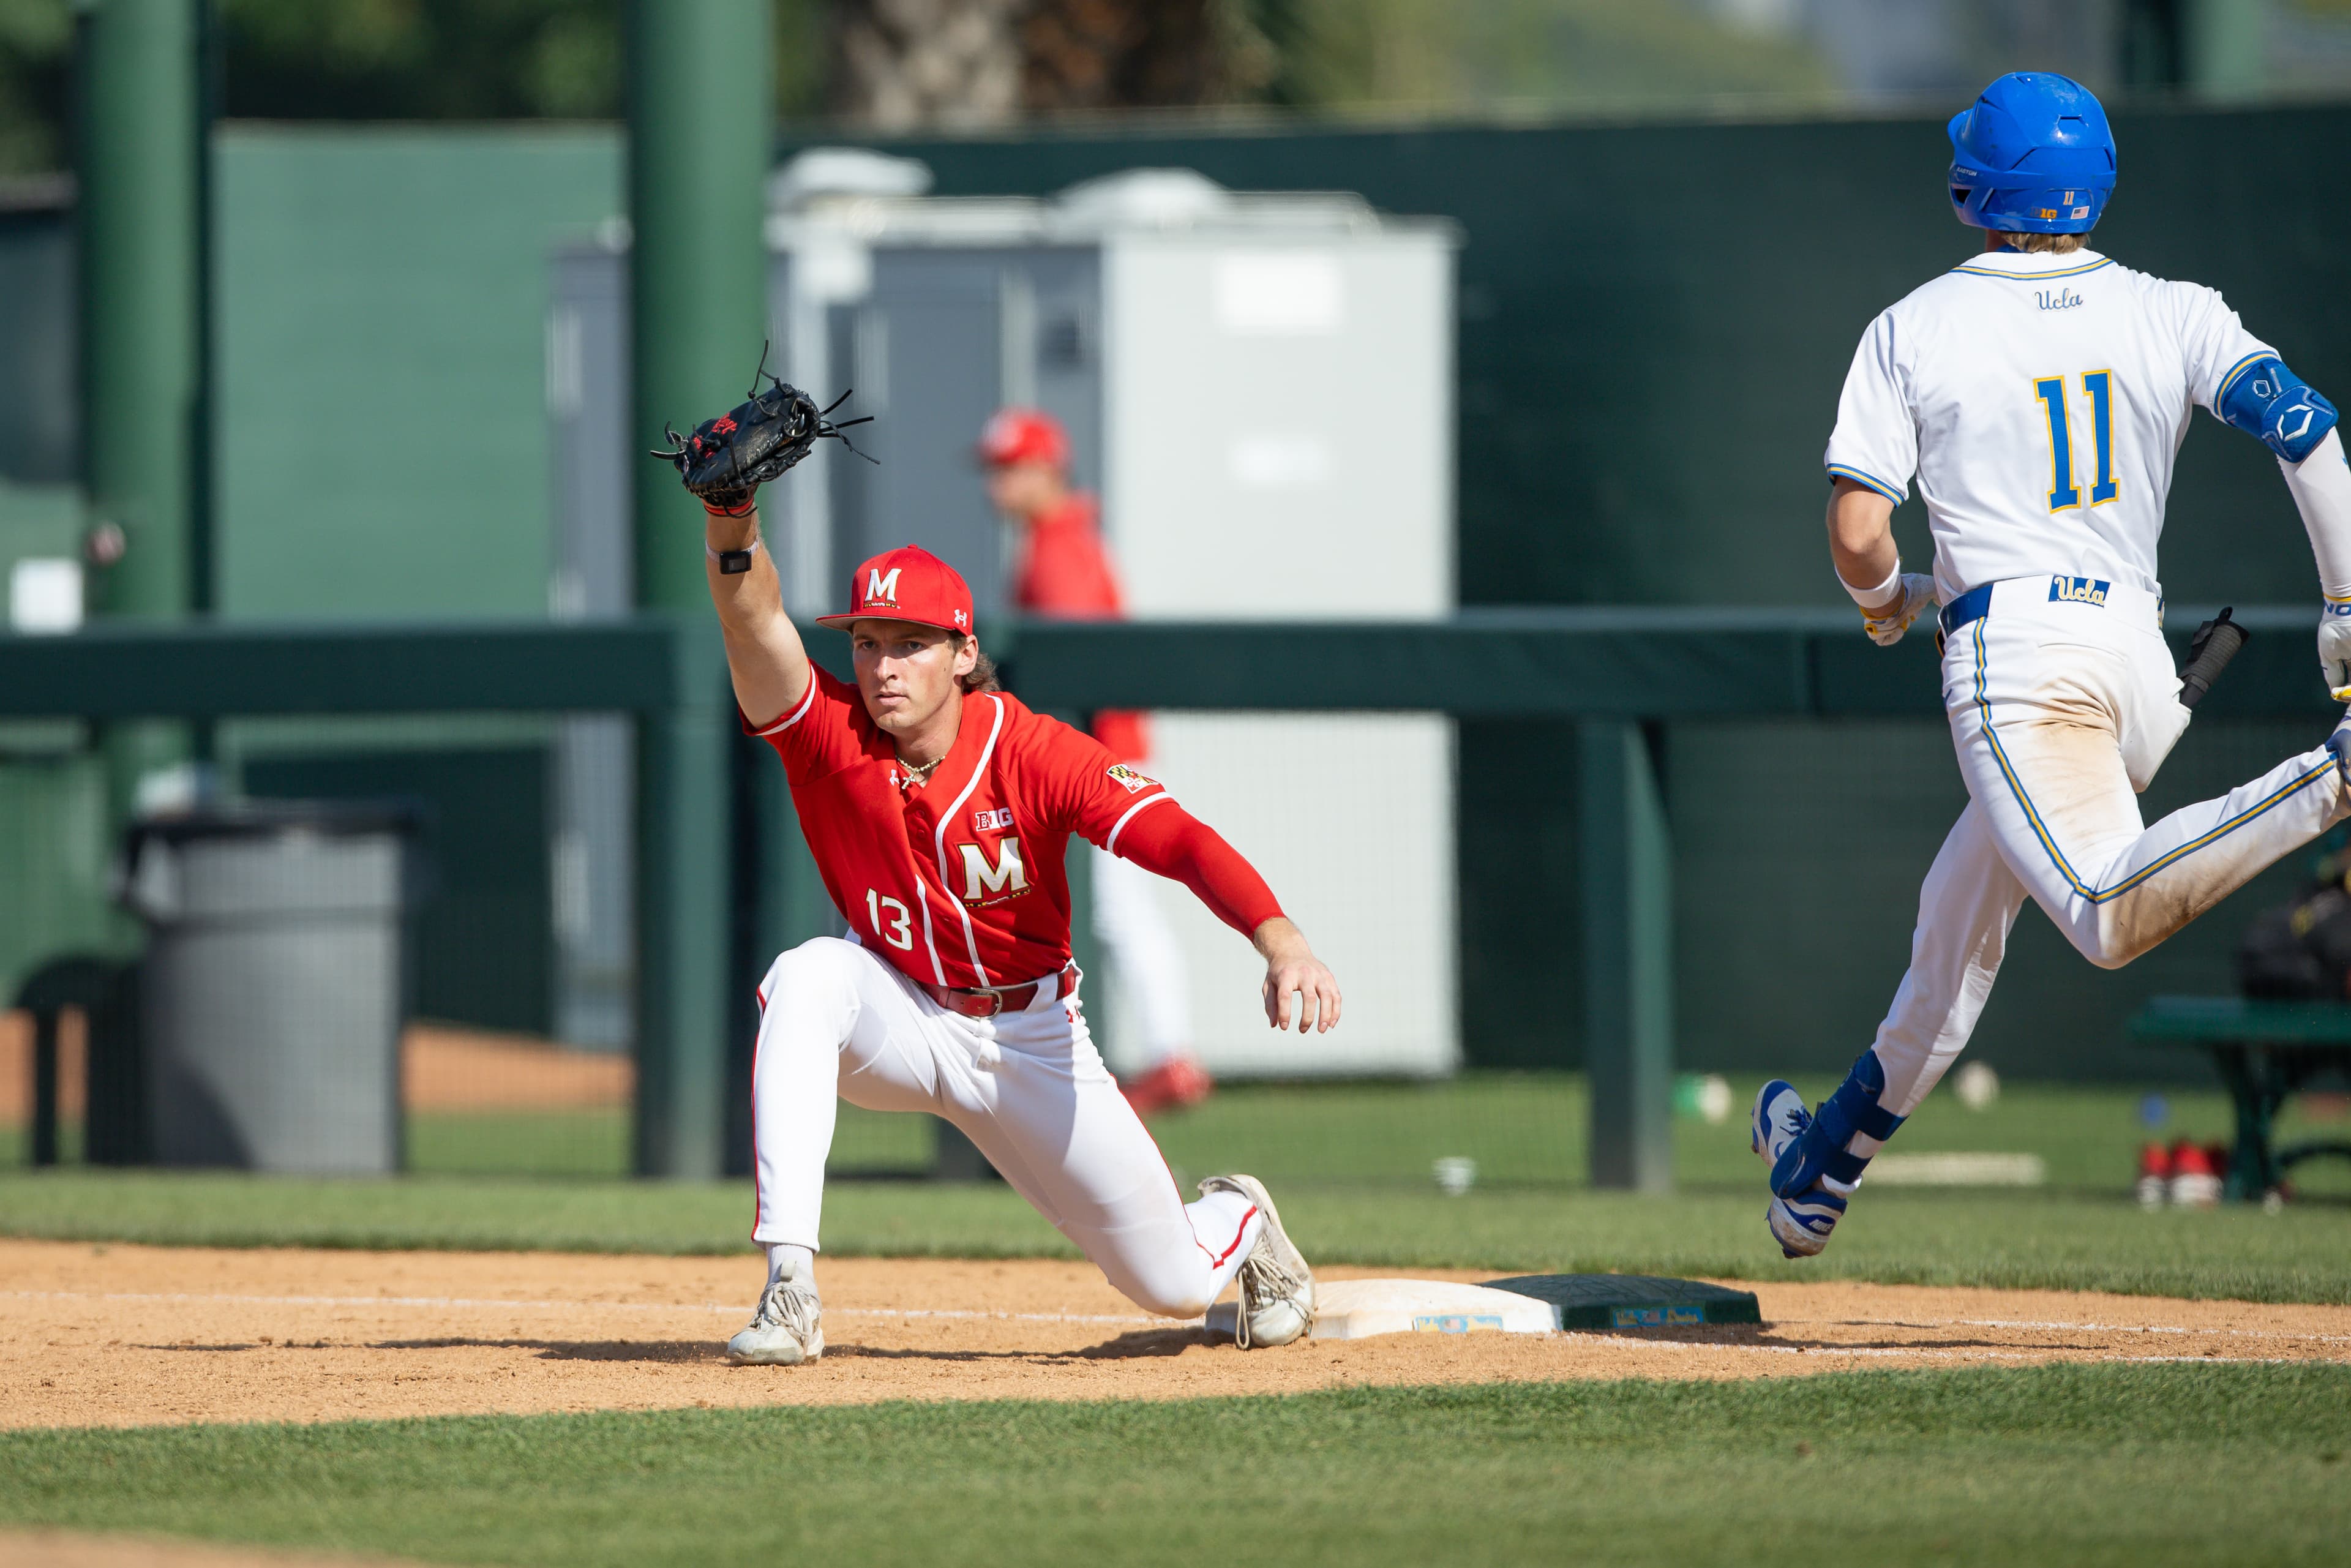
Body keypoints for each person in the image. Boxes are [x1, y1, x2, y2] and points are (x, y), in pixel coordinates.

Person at [1756, 71, 2351, 1256]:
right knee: (1953, 929)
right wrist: (2347, 613)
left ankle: (2336, 775)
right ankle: (1818, 1170)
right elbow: (2309, 431)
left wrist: (1883, 604)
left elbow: (1859, 532)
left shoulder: (1913, 325)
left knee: (2100, 910)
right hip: (2134, 667)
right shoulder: (2172, 307)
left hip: (2020, 669)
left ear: (1975, 182)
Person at [696, 468, 1343, 1365]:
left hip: (1030, 1038)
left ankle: (1238, 1214)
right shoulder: (827, 732)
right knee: (806, 974)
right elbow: (753, 618)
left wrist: (1283, 941)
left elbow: (1180, 841)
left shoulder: (1032, 752)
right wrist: (732, 520)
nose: (885, 667)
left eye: (913, 644)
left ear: (963, 653)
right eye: (869, 642)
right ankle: (790, 1287)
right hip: (902, 1014)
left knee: (1173, 1285)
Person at [978, 406, 1215, 1116]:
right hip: (1104, 757)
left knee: (1117, 913)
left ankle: (1172, 1054)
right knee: (1118, 913)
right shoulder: (1059, 540)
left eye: (1008, 468)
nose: (996, 484)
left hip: (1096, 764)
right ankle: (1166, 1054)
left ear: (1046, 468)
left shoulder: (1058, 550)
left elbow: (1076, 671)